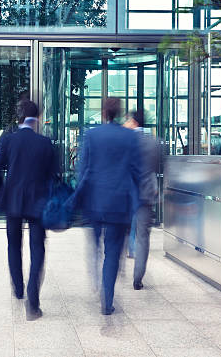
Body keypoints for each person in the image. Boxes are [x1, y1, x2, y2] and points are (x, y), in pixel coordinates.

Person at [68, 98, 142, 315]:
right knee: (112, 252)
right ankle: (106, 298)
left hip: (94, 202)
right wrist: (134, 200)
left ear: (103, 113)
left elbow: (83, 170)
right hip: (119, 204)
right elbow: (136, 172)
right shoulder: (129, 137)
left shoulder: (91, 135)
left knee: (95, 246)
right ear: (119, 114)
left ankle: (95, 279)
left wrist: (78, 197)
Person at [0, 99, 58, 321]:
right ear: (36, 118)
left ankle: (18, 289)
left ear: (19, 118)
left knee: (14, 245)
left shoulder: (8, 140)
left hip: (13, 202)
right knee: (37, 247)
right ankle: (33, 299)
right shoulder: (45, 143)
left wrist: (2, 195)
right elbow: (54, 176)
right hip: (38, 203)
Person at [123, 110, 162, 290]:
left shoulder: (124, 141)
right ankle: (137, 278)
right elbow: (158, 168)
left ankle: (116, 269)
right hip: (146, 194)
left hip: (124, 194)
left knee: (118, 231)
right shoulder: (154, 143)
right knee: (143, 237)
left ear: (133, 122)